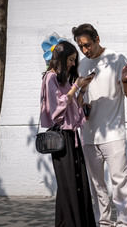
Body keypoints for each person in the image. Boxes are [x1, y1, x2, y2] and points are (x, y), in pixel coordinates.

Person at [72, 23, 127, 227]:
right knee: (97, 185)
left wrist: (125, 80)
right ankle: (105, 222)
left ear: (97, 39)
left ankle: (125, 223)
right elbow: (77, 101)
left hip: (113, 133)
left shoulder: (116, 59)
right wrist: (82, 98)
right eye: (80, 46)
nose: (85, 50)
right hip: (89, 134)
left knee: (120, 182)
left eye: (87, 44)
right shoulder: (82, 65)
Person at [40, 40, 96, 227]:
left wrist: (82, 89)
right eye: (71, 59)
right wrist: (75, 87)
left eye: (74, 60)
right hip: (61, 138)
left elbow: (73, 108)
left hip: (72, 137)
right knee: (69, 185)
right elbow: (57, 112)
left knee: (78, 183)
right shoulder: (50, 78)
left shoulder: (63, 80)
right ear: (62, 58)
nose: (73, 63)